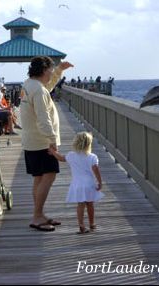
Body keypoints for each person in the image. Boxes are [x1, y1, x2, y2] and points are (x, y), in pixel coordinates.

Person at [20, 56, 73, 232]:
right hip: (42, 142)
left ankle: (39, 214)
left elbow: (46, 89)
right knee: (49, 175)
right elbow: (44, 119)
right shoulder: (39, 90)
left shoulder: (29, 84)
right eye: (50, 69)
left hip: (31, 141)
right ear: (44, 70)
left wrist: (59, 71)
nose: (51, 72)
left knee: (39, 178)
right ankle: (37, 216)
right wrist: (52, 140)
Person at [49, 132, 104, 234]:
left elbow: (61, 158)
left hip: (77, 185)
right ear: (89, 144)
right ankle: (92, 223)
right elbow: (96, 169)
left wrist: (53, 151)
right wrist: (100, 182)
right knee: (90, 204)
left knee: (80, 205)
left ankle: (81, 225)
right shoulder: (92, 157)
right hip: (89, 185)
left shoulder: (71, 155)